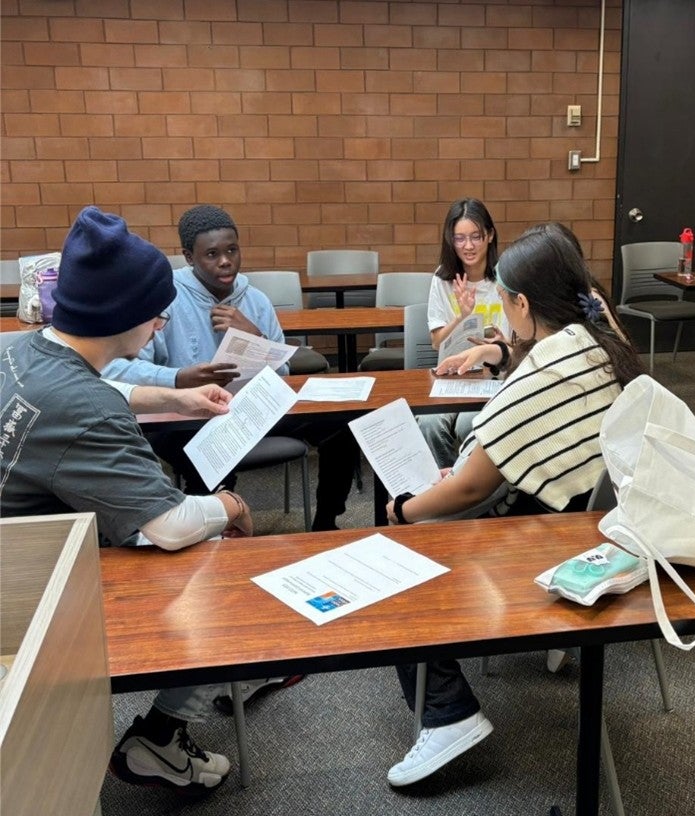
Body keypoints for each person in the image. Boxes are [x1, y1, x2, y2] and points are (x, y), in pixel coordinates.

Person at [0, 206, 264, 795]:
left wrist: (176, 400)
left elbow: (95, 386)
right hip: (35, 596)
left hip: (20, 558)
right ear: (125, 318)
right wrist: (231, 507)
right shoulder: (84, 408)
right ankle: (161, 737)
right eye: (154, 310)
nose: (162, 320)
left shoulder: (17, 351)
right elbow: (167, 525)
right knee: (223, 559)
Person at [383, 222, 644, 787]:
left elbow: (474, 488)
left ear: (523, 303)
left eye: (505, 301)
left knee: (401, 557)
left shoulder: (544, 375)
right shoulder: (601, 344)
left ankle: (447, 714)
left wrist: (405, 510)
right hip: (594, 527)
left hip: (541, 542)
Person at [102, 204, 358, 532]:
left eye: (232, 250)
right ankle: (209, 531)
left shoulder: (256, 301)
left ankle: (326, 523)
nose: (225, 261)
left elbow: (282, 377)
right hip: (181, 417)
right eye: (211, 254)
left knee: (343, 423)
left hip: (251, 411)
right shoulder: (163, 300)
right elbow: (117, 370)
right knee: (212, 452)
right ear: (189, 257)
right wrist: (179, 378)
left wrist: (255, 337)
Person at [418, 198, 511, 468]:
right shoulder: (443, 278)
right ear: (450, 239)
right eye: (460, 239)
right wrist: (462, 315)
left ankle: (465, 490)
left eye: (475, 237)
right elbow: (437, 342)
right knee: (429, 423)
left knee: (467, 426)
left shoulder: (505, 277)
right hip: (452, 376)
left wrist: (503, 345)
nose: (468, 246)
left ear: (490, 236)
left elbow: (520, 341)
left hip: (493, 376)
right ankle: (449, 486)